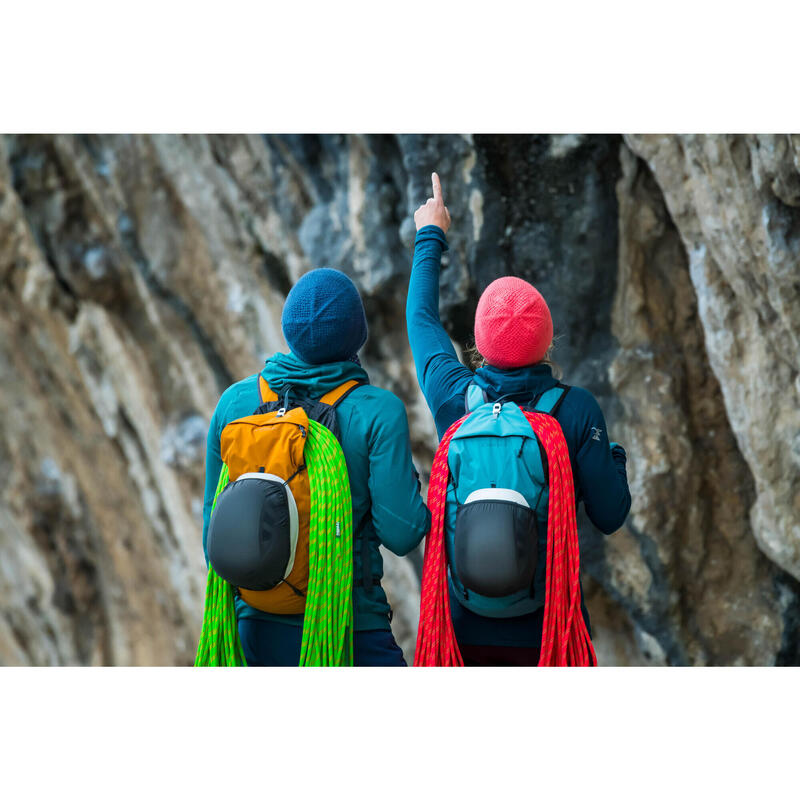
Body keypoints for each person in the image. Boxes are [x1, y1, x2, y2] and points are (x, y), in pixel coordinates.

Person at [406, 173, 631, 666]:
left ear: (478, 344)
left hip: (461, 631)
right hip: (549, 632)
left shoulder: (453, 398)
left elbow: (422, 321)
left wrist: (430, 232)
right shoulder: (574, 411)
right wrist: (614, 456)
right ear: (547, 342)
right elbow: (611, 516)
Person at [203, 267, 430, 666]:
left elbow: (213, 532)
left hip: (251, 630)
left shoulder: (236, 404)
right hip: (350, 631)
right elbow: (402, 533)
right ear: (357, 334)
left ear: (288, 328)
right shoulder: (376, 412)